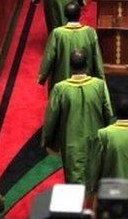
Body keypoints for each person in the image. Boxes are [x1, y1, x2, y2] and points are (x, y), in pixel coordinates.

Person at [42, 50, 113, 184]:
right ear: (87, 65)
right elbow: (108, 112)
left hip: (71, 143)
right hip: (95, 139)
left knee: (74, 179)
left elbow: (51, 118)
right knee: (95, 178)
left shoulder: (60, 88)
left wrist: (49, 141)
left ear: (70, 66)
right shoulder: (99, 85)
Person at [39, 2, 104, 90]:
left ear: (65, 15)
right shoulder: (90, 32)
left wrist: (43, 77)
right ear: (80, 15)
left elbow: (49, 57)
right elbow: (97, 57)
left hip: (62, 80)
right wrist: (101, 78)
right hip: (85, 81)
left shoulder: (57, 33)